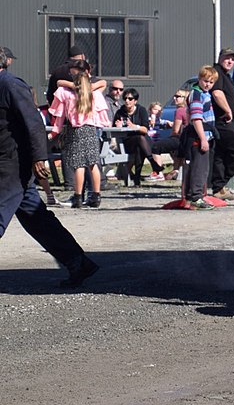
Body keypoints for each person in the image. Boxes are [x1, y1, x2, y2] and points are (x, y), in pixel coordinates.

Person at [0, 46, 99, 287]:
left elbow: (33, 123)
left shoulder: (11, 85)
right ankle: (77, 261)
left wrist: (39, 157)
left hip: (12, 164)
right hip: (7, 162)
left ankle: (77, 261)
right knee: (37, 218)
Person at [48, 66, 110, 208]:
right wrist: (87, 86)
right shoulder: (94, 95)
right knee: (93, 163)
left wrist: (55, 132)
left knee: (79, 165)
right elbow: (103, 84)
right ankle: (96, 195)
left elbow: (60, 114)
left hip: (76, 130)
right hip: (91, 130)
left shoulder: (67, 94)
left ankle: (77, 196)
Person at [209, 49, 234, 200]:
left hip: (223, 121)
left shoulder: (225, 74)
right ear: (220, 58)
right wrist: (228, 111)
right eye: (227, 58)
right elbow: (217, 93)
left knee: (220, 155)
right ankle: (221, 184)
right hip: (224, 121)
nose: (230, 61)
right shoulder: (217, 72)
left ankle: (219, 187)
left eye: (232, 59)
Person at [111, 88, 164, 185]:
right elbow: (113, 130)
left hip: (141, 141)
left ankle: (137, 178)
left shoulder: (141, 110)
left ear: (135, 101)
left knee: (140, 144)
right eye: (125, 98)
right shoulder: (120, 112)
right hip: (126, 142)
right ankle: (152, 163)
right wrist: (118, 126)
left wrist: (134, 126)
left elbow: (145, 129)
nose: (127, 101)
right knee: (140, 140)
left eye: (130, 99)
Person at [183, 66, 219, 209]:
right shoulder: (197, 94)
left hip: (205, 134)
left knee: (198, 167)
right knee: (200, 168)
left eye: (211, 82)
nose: (207, 84)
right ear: (199, 79)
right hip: (199, 136)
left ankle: (190, 196)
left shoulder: (205, 94)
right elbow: (196, 118)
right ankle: (196, 198)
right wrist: (203, 139)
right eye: (205, 81)